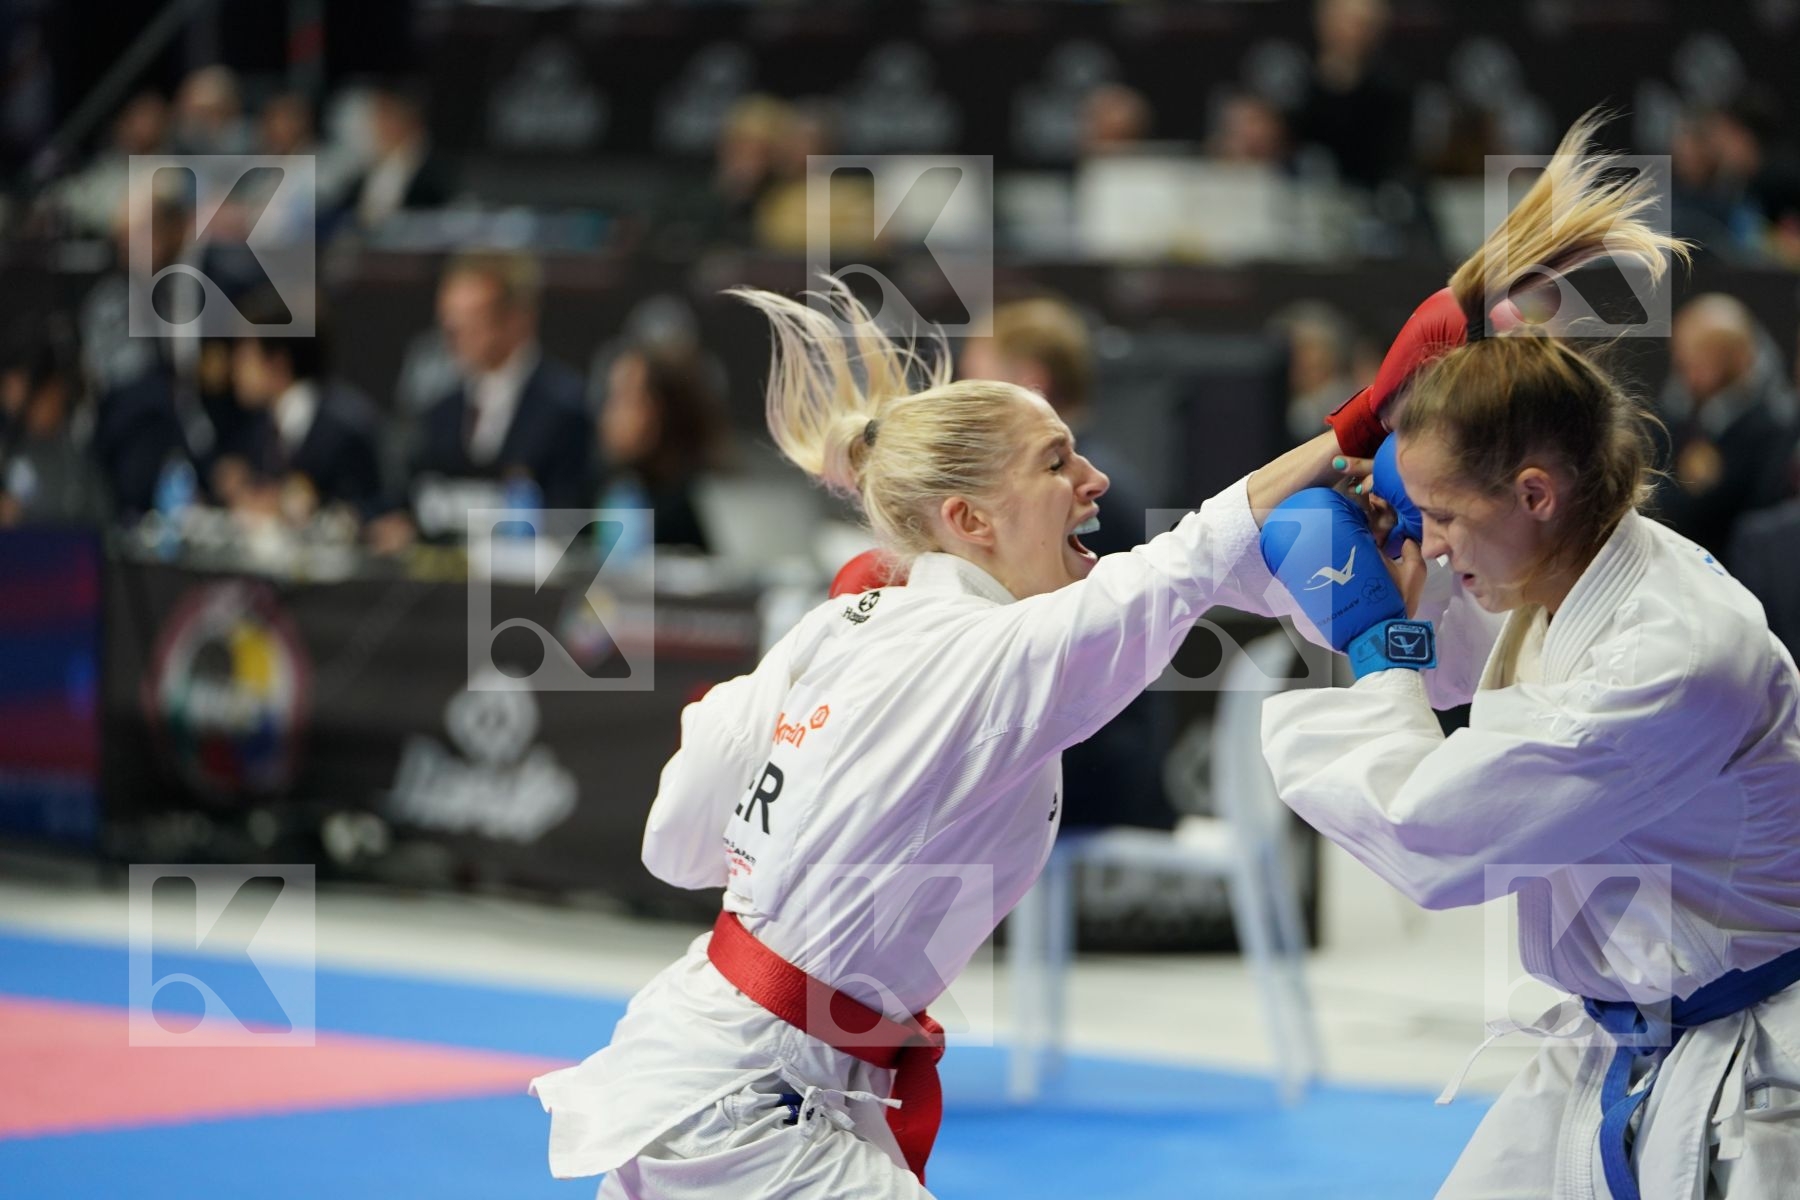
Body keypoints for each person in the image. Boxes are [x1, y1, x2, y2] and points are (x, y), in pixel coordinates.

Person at [528, 277, 1374, 1197]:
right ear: (969, 521)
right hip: (749, 1103)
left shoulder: (835, 631)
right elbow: (1181, 565)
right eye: (1057, 465)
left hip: (714, 1058)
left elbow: (674, 849)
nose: (1094, 482)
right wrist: (1357, 421)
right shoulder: (980, 649)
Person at [1257, 116, 1800, 1200]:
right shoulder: (1553, 581)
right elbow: (1259, 544)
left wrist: (1382, 646)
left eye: (1448, 517)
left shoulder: (1672, 653)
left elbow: (1434, 833)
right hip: (1615, 1040)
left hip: (1748, 1074)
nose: (1437, 545)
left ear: (1537, 494)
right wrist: (1363, 423)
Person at [959, 296, 1172, 831]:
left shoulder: (1085, 495)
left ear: (1028, 385)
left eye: (977, 384)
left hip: (1098, 767)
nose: (960, 403)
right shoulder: (1102, 479)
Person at [367, 250, 591, 550]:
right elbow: (410, 504)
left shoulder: (565, 410)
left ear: (517, 318)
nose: (454, 333)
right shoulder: (440, 413)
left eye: (473, 319)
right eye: (449, 320)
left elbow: (572, 524)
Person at [1652, 292, 1797, 566]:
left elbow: (1758, 517)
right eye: (1684, 359)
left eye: (1705, 359)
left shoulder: (1775, 424)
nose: (1690, 374)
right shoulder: (1673, 414)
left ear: (1741, 357)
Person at [218, 296, 383, 522]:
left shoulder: (347, 427)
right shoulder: (259, 428)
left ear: (277, 362)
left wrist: (306, 506)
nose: (234, 368)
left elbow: (372, 509)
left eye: (245, 353)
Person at [596, 342, 727, 553]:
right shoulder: (609, 486)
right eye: (610, 398)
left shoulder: (696, 504)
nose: (608, 416)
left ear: (660, 411)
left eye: (624, 399)